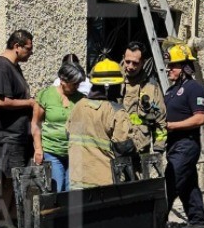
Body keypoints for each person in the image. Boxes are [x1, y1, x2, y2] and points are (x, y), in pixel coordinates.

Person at [0, 29, 37, 228]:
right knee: (7, 181)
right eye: (28, 49)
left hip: (16, 135)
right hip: (7, 136)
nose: (30, 53)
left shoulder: (13, 67)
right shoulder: (1, 67)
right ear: (17, 46)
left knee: (12, 182)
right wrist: (30, 102)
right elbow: (1, 101)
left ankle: (9, 223)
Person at [67, 59, 147, 189]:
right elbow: (124, 148)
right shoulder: (115, 111)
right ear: (108, 87)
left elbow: (69, 135)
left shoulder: (78, 106)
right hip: (104, 184)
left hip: (77, 181)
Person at [163, 45, 204, 225]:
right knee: (189, 189)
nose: (169, 69)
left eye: (173, 65)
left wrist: (172, 125)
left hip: (187, 146)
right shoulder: (170, 91)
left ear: (184, 67)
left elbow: (199, 118)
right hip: (173, 146)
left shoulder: (194, 88)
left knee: (169, 185)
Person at [33, 55, 86, 191]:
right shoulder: (46, 95)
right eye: (74, 83)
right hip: (52, 151)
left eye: (78, 83)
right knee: (57, 188)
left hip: (74, 152)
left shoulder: (82, 99)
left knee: (71, 191)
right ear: (63, 80)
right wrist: (38, 149)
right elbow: (35, 123)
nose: (77, 87)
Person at [120, 40, 167, 156]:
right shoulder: (113, 81)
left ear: (143, 62)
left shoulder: (151, 87)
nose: (130, 66)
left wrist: (159, 149)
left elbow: (160, 121)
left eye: (135, 63)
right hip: (116, 149)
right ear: (123, 58)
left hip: (140, 149)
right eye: (127, 62)